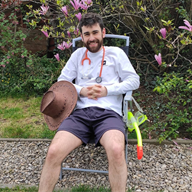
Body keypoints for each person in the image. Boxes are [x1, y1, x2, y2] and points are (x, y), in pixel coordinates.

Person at [38, 12, 140, 192]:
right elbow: (62, 82)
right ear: (82, 36)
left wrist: (107, 90)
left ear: (103, 32)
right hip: (79, 114)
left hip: (109, 114)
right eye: (86, 34)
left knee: (117, 150)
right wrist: (80, 90)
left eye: (95, 32)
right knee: (53, 152)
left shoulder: (116, 54)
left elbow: (134, 81)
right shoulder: (78, 55)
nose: (91, 38)